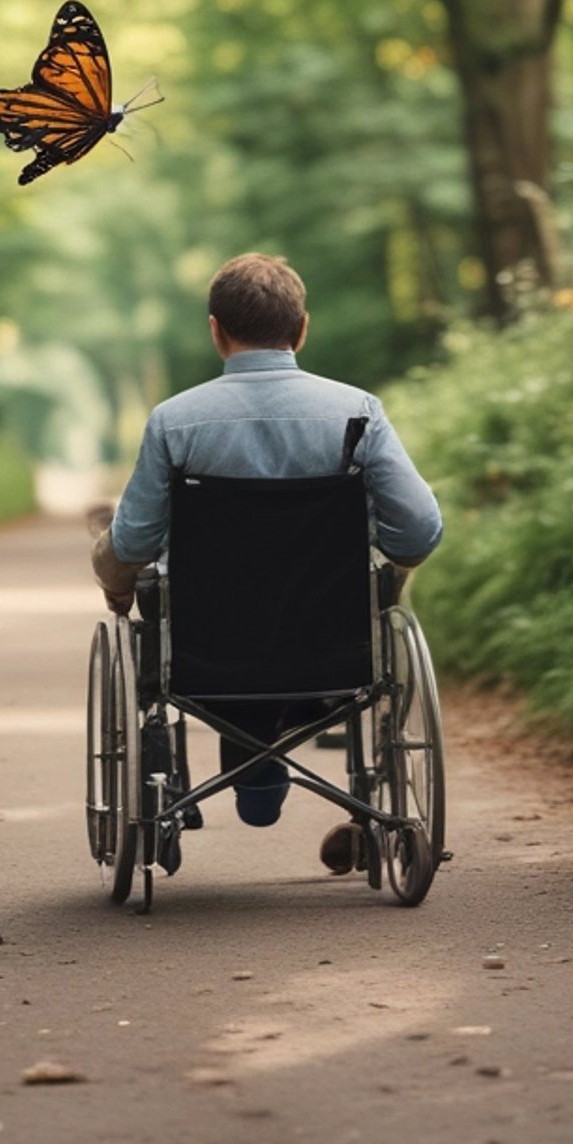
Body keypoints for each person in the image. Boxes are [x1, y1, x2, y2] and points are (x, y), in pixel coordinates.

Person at [87, 252, 443, 874]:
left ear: (216, 330)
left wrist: (117, 584)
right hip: (335, 646)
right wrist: (392, 569)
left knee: (116, 545)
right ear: (302, 330)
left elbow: (139, 540)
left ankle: (199, 782)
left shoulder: (174, 421)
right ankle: (362, 807)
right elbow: (418, 528)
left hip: (206, 650)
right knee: (370, 582)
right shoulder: (358, 412)